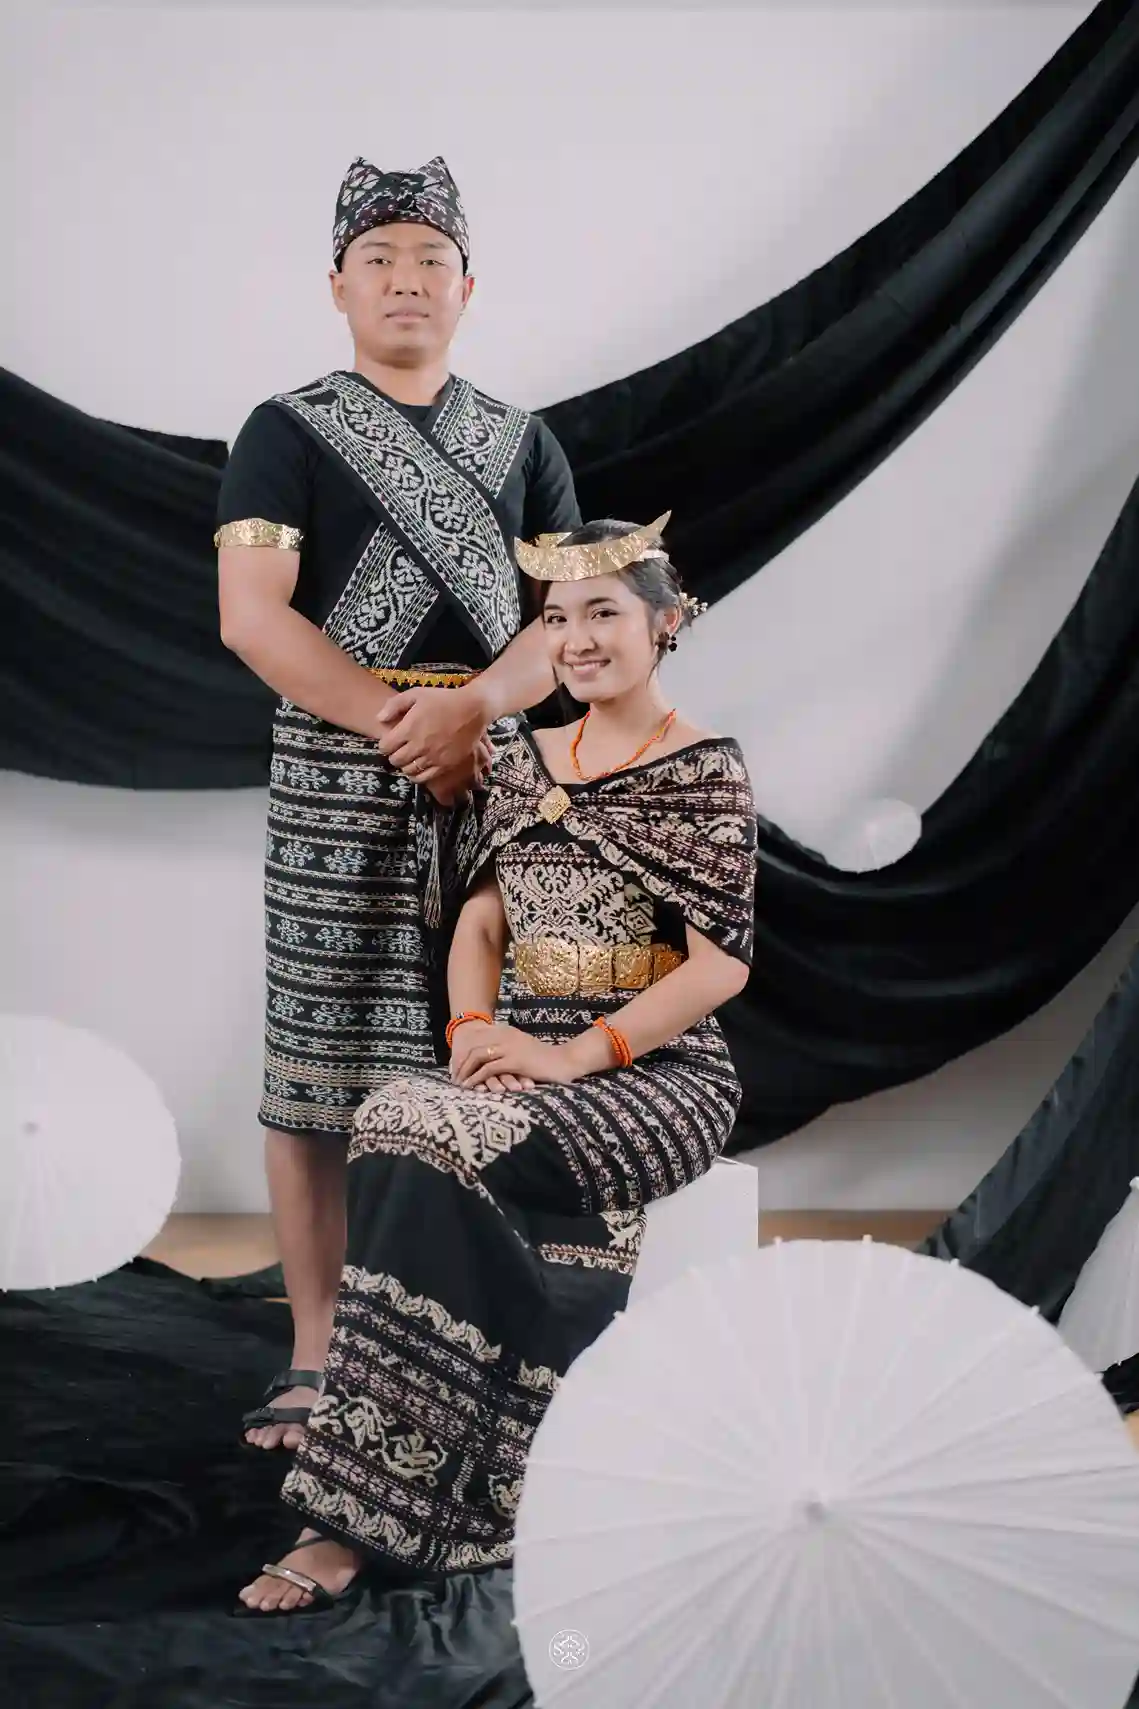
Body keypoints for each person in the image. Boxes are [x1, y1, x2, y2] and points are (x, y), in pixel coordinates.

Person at [236, 515, 757, 1614]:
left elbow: (719, 967)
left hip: (652, 1073)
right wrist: (473, 1029)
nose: (576, 639)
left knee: (430, 1129)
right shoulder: (521, 759)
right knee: (394, 1109)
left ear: (666, 622)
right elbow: (480, 919)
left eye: (603, 613)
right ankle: (396, 1476)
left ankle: (362, 1515)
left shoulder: (704, 769)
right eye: (556, 618)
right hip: (519, 1049)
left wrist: (568, 1056)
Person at [215, 154, 581, 1452]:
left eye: (431, 260)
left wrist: (468, 711)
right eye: (378, 260)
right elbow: (251, 617)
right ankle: (317, 1346)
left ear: (467, 287)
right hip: (335, 773)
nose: (406, 280)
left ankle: (462, 1330)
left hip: (492, 777)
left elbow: (563, 623)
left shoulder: (521, 441)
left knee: (488, 1051)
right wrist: (399, 721)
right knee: (312, 1066)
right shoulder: (284, 430)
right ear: (338, 286)